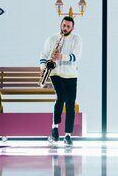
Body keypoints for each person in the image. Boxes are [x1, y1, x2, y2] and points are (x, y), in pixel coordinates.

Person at [40, 16, 82, 146]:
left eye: (68, 26)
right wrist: (43, 69)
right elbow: (43, 55)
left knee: (71, 104)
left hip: (71, 75)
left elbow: (76, 57)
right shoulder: (52, 39)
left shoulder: (77, 39)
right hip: (55, 72)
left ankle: (68, 135)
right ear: (61, 25)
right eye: (64, 25)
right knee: (61, 97)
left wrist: (61, 56)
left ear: (72, 28)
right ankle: (55, 126)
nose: (65, 28)